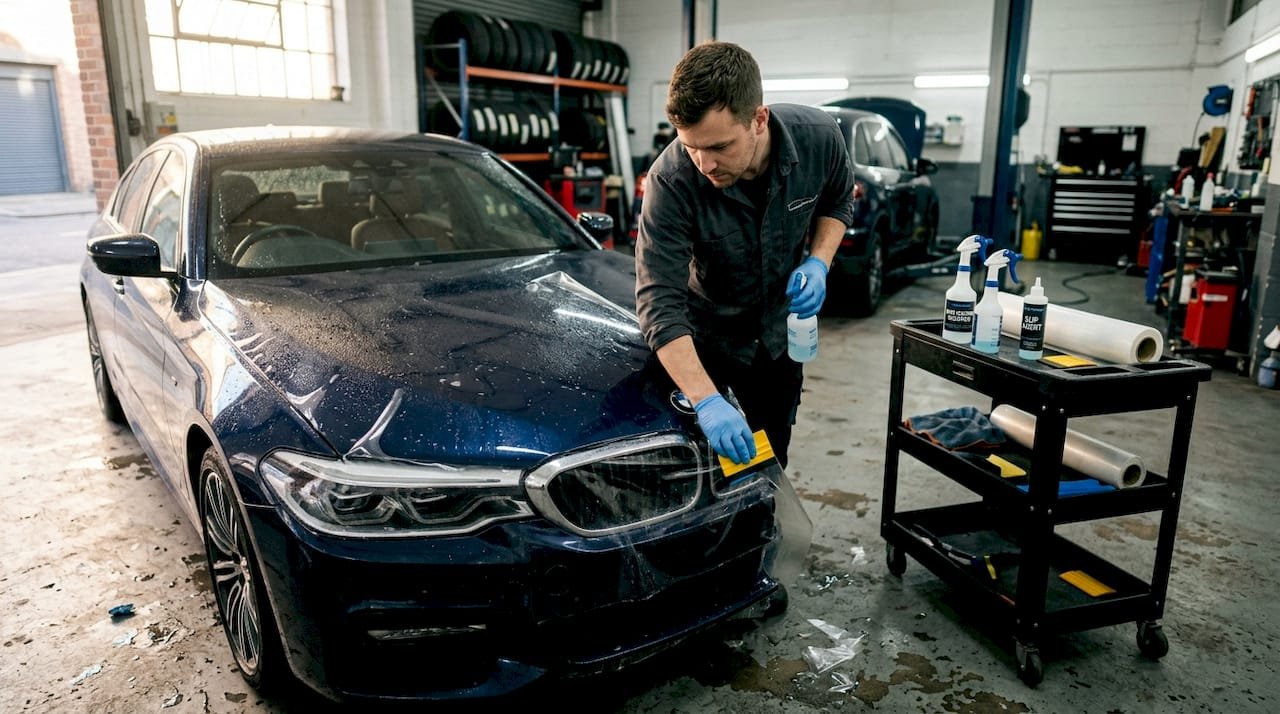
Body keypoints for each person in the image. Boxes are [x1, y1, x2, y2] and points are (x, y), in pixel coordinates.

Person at [634, 41, 855, 468]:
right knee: (708, 477)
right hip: (707, 348)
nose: (705, 164)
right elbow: (658, 303)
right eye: (692, 147)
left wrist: (819, 261)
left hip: (778, 345)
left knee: (770, 463)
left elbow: (838, 199)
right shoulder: (671, 181)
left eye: (718, 147)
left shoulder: (819, 138)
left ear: (758, 119)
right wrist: (706, 400)